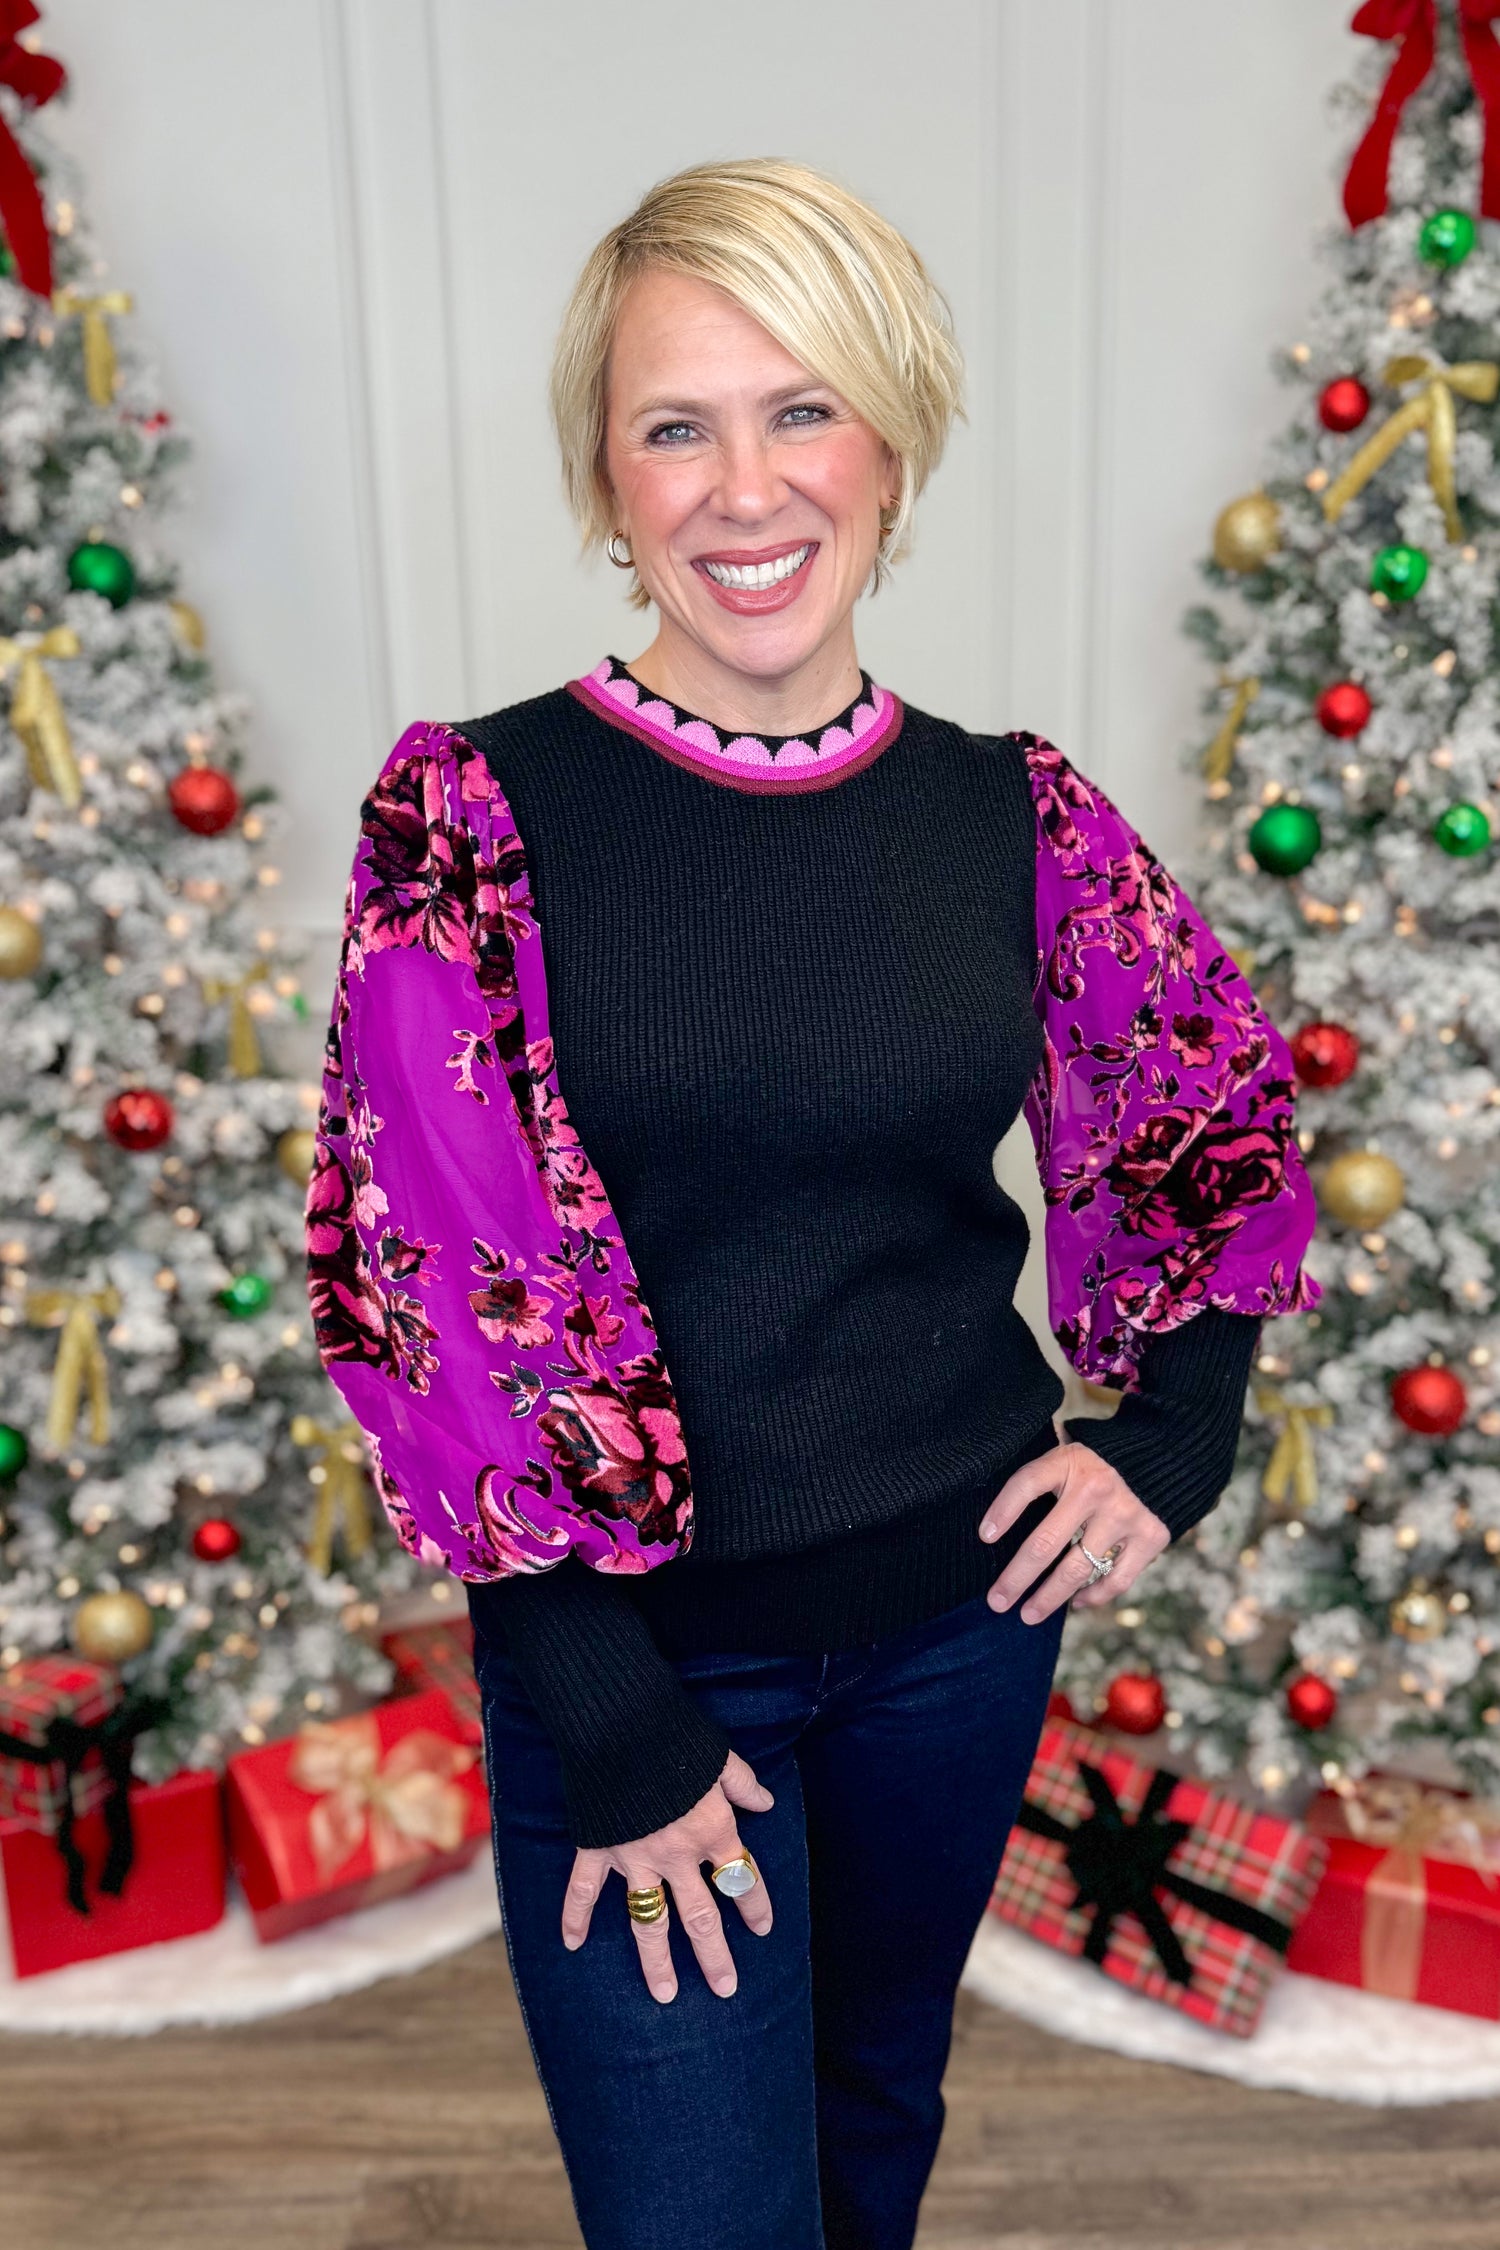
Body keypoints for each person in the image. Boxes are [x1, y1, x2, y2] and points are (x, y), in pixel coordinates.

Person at [306, 158, 1319, 2250]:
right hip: (647, 1667)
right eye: (677, 423)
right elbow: (435, 1281)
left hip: (957, 1635)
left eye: (803, 409)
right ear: (605, 470)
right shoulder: (476, 816)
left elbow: (1203, 1115)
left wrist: (1177, 1429)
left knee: (873, 2135)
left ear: (893, 438)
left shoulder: (1008, 811)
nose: (745, 486)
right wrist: (599, 1699)